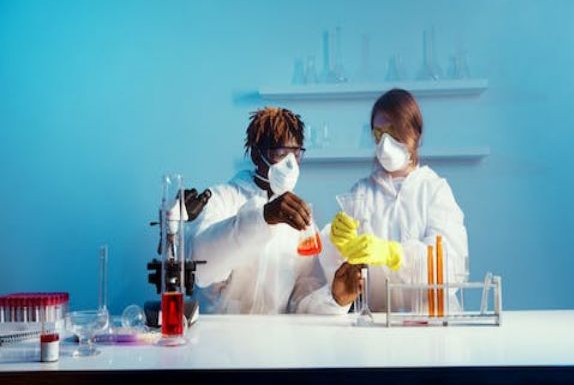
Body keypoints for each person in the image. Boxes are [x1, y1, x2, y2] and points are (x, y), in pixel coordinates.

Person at [321, 89, 469, 313]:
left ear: (416, 134)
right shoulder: (361, 192)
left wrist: (394, 254)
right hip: (376, 322)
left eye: (393, 132)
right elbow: (338, 286)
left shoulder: (435, 190)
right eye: (378, 134)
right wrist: (336, 246)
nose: (384, 143)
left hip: (430, 322)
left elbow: (450, 268)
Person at [188, 107, 346, 314]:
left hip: (274, 331)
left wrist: (336, 298)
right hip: (218, 327)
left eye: (296, 154)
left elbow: (304, 295)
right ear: (256, 155)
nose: (290, 164)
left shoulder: (299, 215)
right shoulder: (221, 199)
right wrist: (262, 217)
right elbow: (201, 267)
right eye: (280, 153)